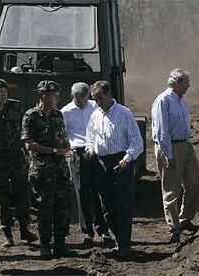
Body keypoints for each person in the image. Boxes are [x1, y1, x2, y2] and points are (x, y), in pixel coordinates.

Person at [85, 80, 143, 258]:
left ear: (109, 95)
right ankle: (119, 238)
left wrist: (127, 159)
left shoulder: (124, 114)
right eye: (95, 99)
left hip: (120, 163)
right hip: (101, 163)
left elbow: (137, 143)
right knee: (107, 206)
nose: (98, 102)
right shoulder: (95, 115)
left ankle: (124, 244)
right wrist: (90, 149)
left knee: (122, 205)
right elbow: (91, 137)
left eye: (100, 98)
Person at [0, 79, 37, 248]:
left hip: (16, 158)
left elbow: (26, 127)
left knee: (23, 195)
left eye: (5, 92)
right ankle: (7, 234)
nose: (3, 95)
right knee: (1, 198)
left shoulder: (16, 107)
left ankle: (25, 229)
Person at [21, 80, 74, 259]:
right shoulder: (31, 116)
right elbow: (29, 145)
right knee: (44, 209)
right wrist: (54, 151)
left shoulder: (58, 115)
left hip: (60, 170)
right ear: (42, 96)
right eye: (52, 95)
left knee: (62, 208)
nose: (55, 98)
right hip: (42, 171)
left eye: (56, 95)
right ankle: (45, 246)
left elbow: (63, 136)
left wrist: (67, 147)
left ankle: (60, 244)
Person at [151, 68, 199, 243]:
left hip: (185, 145)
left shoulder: (181, 101)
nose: (189, 86)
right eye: (186, 82)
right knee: (172, 189)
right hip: (170, 147)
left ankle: (185, 219)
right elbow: (161, 131)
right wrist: (167, 154)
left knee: (193, 184)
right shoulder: (163, 101)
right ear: (177, 83)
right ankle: (174, 228)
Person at [61, 82, 112, 247]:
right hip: (77, 153)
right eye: (77, 98)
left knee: (99, 190)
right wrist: (68, 150)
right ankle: (87, 231)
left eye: (83, 98)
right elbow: (64, 134)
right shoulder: (65, 112)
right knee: (81, 191)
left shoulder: (95, 107)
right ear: (72, 96)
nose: (81, 101)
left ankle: (102, 228)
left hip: (96, 151)